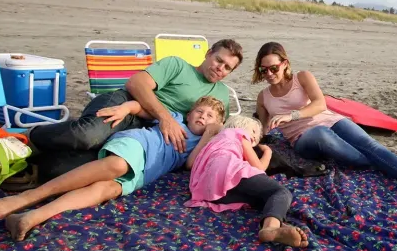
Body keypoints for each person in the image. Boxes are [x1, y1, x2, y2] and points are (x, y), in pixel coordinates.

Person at [0, 96, 226, 240]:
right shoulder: (174, 118)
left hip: (146, 171)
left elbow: (191, 164)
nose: (203, 117)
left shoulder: (205, 144)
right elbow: (140, 107)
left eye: (210, 116)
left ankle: (32, 217)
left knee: (106, 190)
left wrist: (209, 136)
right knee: (117, 165)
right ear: (189, 113)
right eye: (200, 111)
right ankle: (27, 198)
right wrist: (125, 108)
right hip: (138, 145)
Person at [27, 39, 243, 179]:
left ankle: (28, 163)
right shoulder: (177, 65)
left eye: (227, 68)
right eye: (219, 60)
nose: (220, 68)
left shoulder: (222, 93)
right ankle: (29, 137)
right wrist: (165, 118)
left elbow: (218, 128)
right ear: (208, 53)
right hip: (126, 104)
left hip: (146, 133)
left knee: (74, 167)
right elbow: (136, 83)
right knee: (87, 136)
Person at [253, 42, 397, 192]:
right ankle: (389, 163)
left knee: (368, 144)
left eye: (273, 68)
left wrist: (290, 116)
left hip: (331, 120)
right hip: (304, 139)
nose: (269, 74)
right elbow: (263, 128)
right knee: (325, 136)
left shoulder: (302, 77)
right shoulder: (263, 97)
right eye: (264, 70)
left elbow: (320, 104)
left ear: (285, 63)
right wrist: (261, 130)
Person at [184, 114, 307, 248]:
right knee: (280, 192)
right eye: (253, 131)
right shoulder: (238, 133)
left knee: (262, 198)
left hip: (208, 189)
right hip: (228, 170)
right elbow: (259, 167)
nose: (255, 137)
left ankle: (277, 225)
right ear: (241, 125)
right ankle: (271, 227)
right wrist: (268, 152)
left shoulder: (213, 141)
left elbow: (190, 164)